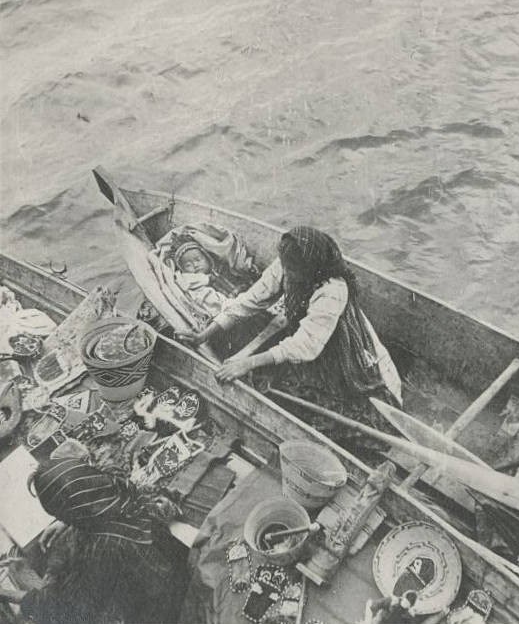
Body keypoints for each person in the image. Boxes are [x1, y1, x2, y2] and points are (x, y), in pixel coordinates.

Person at [177, 226, 402, 442]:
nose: (289, 275)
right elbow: (251, 300)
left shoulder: (333, 289)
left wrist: (248, 362)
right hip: (304, 329)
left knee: (319, 404)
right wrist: (204, 335)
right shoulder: (287, 263)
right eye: (287, 268)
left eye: (295, 271)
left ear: (312, 268)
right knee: (238, 335)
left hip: (334, 347)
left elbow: (306, 345)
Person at [0, 458, 189, 624]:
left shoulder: (103, 550)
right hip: (172, 570)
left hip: (163, 608)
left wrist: (10, 593)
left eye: (60, 514)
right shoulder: (120, 491)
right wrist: (70, 522)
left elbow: (70, 611)